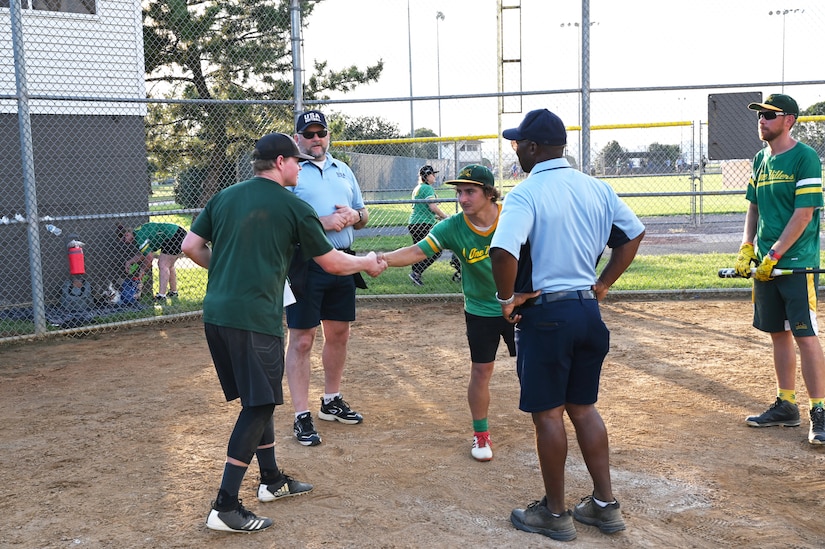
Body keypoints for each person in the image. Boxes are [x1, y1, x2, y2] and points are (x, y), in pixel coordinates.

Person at [181, 132, 386, 533]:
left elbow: (191, 246)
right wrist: (367, 262)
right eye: (295, 161)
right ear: (280, 163)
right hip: (254, 318)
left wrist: (227, 272)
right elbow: (331, 263)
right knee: (257, 406)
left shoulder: (224, 197)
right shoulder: (293, 206)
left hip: (218, 314)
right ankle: (224, 506)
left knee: (263, 395)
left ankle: (272, 481)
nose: (300, 166)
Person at [489, 108, 645, 541]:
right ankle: (604, 505)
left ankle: (555, 514)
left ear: (535, 148)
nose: (516, 148)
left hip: (546, 316)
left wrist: (505, 300)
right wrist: (603, 283)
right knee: (583, 408)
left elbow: (502, 252)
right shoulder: (597, 187)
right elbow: (633, 233)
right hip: (587, 312)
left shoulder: (527, 191)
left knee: (548, 416)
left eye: (519, 142)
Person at [382, 164, 513, 462]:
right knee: (481, 371)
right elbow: (418, 251)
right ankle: (481, 435)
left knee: (533, 368)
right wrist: (380, 259)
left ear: (489, 194)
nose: (462, 199)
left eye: (470, 191)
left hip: (518, 305)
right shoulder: (453, 226)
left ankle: (546, 423)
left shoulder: (511, 216)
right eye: (458, 192)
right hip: (480, 309)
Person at [734, 93, 825, 446]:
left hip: (795, 264)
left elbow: (804, 214)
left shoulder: (805, 158)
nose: (762, 120)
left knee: (805, 335)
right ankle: (787, 405)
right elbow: (753, 209)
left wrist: (773, 255)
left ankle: (820, 411)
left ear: (789, 120)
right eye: (760, 115)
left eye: (769, 115)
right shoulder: (760, 159)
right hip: (766, 266)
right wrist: (747, 247)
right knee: (778, 333)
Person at [285, 110, 370, 447]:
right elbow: (282, 224)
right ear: (298, 139)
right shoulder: (291, 171)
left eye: (321, 133)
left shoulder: (343, 169)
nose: (316, 139)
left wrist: (355, 215)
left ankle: (331, 400)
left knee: (339, 334)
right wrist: (320, 223)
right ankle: (301, 415)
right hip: (306, 263)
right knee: (302, 340)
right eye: (309, 134)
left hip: (343, 261)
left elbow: (362, 216)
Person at [407, 164, 461, 286]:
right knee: (435, 250)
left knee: (419, 250)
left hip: (415, 223)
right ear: (426, 176)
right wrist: (445, 217)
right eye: (432, 174)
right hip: (423, 224)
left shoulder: (418, 187)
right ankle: (416, 273)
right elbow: (432, 207)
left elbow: (423, 209)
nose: (434, 176)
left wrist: (437, 216)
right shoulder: (427, 188)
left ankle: (416, 275)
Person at [117, 222, 187, 302]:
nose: (124, 242)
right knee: (168, 265)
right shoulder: (137, 234)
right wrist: (129, 262)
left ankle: (161, 296)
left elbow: (150, 258)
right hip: (176, 234)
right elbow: (144, 254)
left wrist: (142, 272)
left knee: (163, 265)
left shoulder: (139, 238)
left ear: (127, 234)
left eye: (123, 239)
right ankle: (173, 292)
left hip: (175, 236)